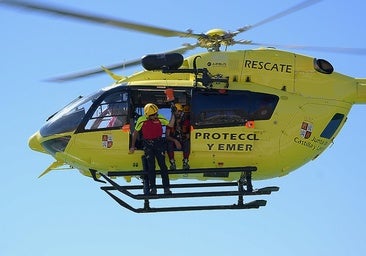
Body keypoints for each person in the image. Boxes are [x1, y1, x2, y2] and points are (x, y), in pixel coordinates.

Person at [129, 103, 174, 195]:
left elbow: (170, 125)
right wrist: (132, 146)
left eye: (156, 113)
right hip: (148, 144)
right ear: (147, 115)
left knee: (163, 166)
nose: (156, 116)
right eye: (154, 115)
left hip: (159, 143)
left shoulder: (160, 118)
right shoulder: (141, 120)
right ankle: (153, 188)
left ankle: (166, 188)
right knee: (151, 167)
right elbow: (135, 133)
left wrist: (173, 114)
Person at [166, 103, 191, 170]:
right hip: (174, 141)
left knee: (187, 143)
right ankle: (172, 163)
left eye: (179, 111)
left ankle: (185, 162)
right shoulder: (170, 123)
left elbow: (189, 134)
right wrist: (175, 141)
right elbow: (167, 136)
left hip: (183, 140)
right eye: (176, 111)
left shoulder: (186, 122)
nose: (178, 113)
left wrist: (187, 136)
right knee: (169, 144)